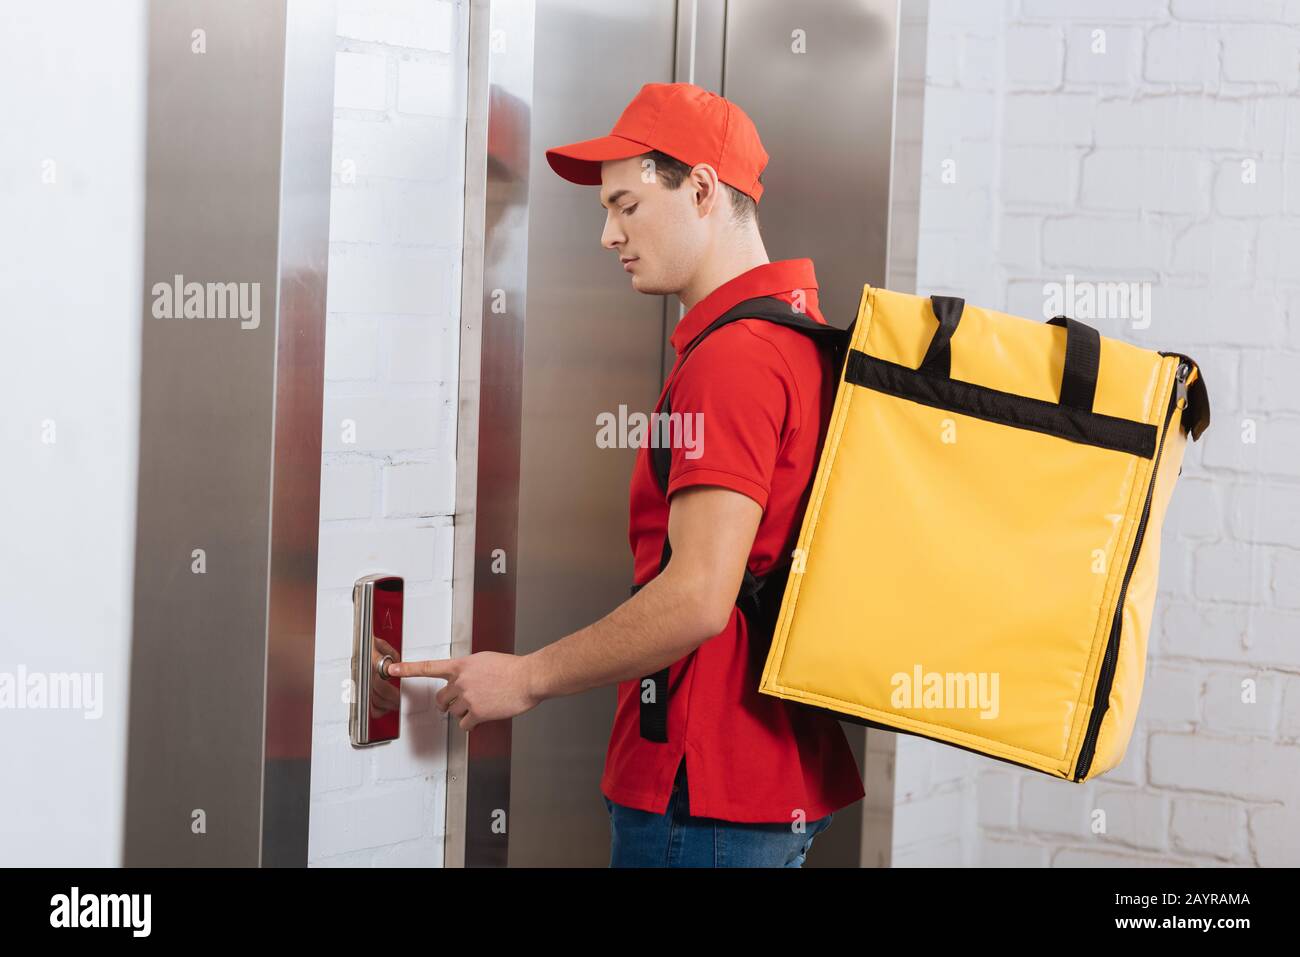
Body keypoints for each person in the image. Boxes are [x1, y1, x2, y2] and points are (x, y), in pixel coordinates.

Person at [390, 81, 865, 867]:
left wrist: (528, 676)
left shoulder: (736, 360)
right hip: (764, 777)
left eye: (627, 206)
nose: (609, 235)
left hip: (701, 785)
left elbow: (698, 597)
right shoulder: (797, 336)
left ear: (704, 189)